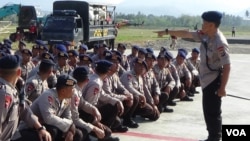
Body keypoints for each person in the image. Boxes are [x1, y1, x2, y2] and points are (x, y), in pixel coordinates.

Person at [162, 11, 231, 141]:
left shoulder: (219, 42)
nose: (202, 24)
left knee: (213, 112)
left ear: (211, 25)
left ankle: (215, 138)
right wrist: (167, 31)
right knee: (208, 111)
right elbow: (187, 33)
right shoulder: (205, 35)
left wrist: (222, 88)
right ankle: (212, 136)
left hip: (214, 80)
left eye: (204, 22)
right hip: (206, 80)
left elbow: (227, 66)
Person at [0, 55, 51, 141]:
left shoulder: (12, 88)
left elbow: (23, 109)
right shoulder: (4, 93)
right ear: (19, 72)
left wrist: (40, 128)